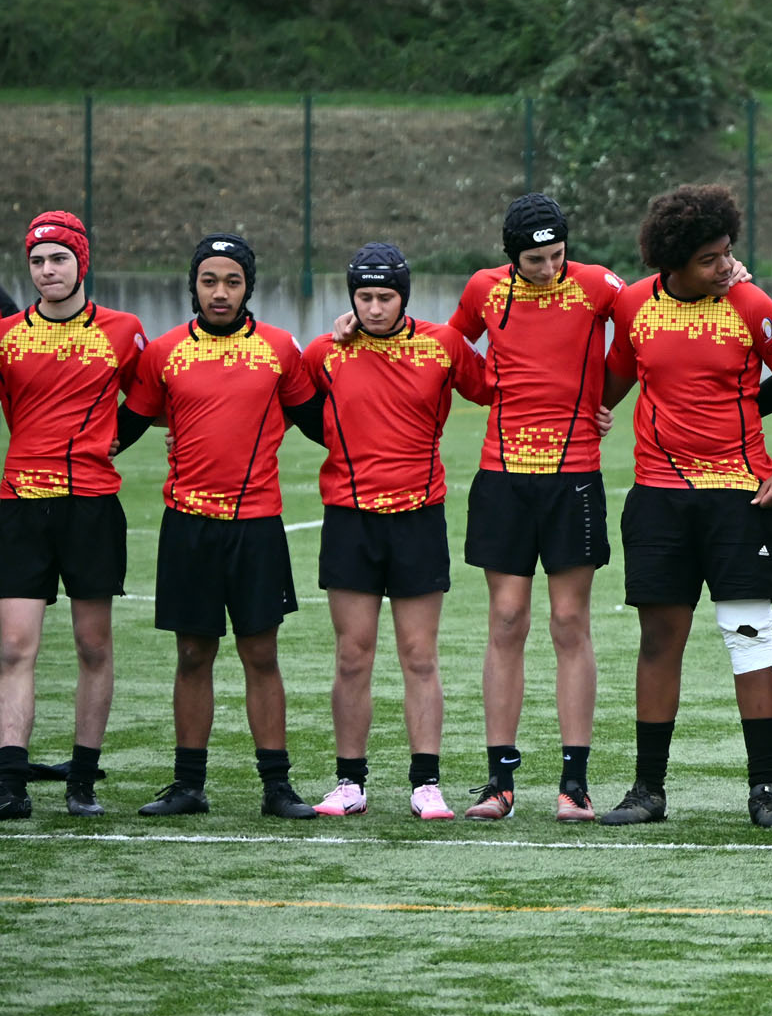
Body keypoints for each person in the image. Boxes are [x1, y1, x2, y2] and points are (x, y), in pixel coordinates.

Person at [599, 186, 772, 829]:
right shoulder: (634, 304)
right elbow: (615, 377)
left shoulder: (753, 305)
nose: (725, 266)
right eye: (709, 258)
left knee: (749, 635)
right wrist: (592, 408)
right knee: (660, 640)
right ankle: (647, 790)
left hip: (740, 499)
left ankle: (765, 791)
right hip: (658, 499)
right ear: (673, 263)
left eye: (727, 252)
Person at [120, 233, 324, 818]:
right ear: (193, 286)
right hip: (188, 526)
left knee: (261, 653)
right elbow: (122, 429)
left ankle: (277, 787)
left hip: (257, 526)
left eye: (232, 281)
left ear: (247, 287)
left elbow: (321, 422)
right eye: (209, 280)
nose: (220, 292)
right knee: (192, 653)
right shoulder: (164, 353)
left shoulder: (280, 348)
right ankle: (188, 785)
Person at [447, 194, 624, 822]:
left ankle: (574, 784)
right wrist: (484, 387)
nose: (548, 269)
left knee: (570, 622)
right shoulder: (484, 289)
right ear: (511, 257)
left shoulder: (598, 285)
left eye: (557, 256)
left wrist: (607, 392)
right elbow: (447, 345)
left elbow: (648, 321)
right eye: (534, 260)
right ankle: (499, 783)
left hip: (574, 477)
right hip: (502, 477)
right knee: (506, 619)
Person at [304, 244, 492, 821]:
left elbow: (498, 390)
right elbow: (286, 405)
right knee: (352, 655)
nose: (375, 307)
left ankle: (426, 784)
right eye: (364, 297)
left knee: (419, 655)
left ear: (403, 297)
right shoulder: (324, 352)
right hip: (350, 518)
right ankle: (349, 783)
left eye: (385, 297)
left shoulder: (443, 346)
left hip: (418, 517)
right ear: (351, 298)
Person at [0, 213, 148, 818]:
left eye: (59, 258)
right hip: (20, 505)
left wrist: (117, 440)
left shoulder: (124, 330)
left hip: (91, 506)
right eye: (37, 261)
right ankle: (10, 781)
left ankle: (82, 778)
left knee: (93, 645)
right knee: (14, 647)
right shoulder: (7, 336)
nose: (47, 270)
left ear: (81, 262)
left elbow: (149, 396)